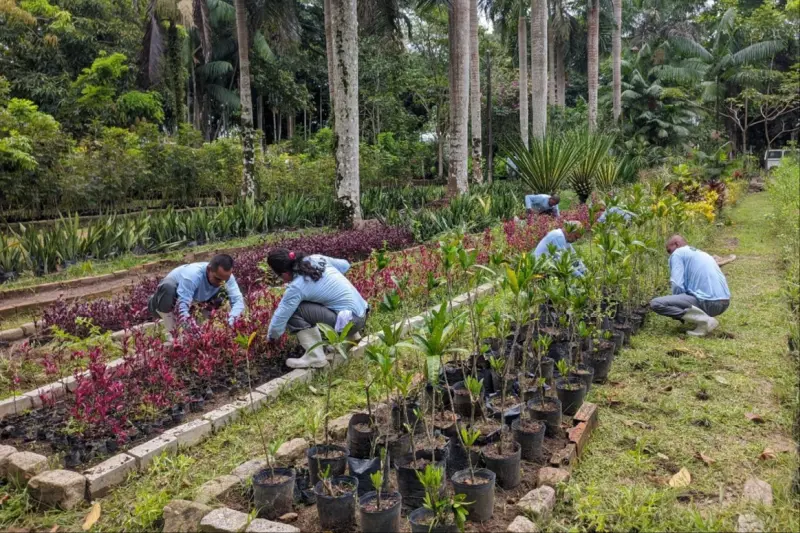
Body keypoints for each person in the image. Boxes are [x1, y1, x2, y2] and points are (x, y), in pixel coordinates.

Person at [266, 249, 368, 369]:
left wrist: (272, 337)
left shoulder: (296, 288)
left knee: (295, 311)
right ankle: (352, 337)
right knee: (326, 300)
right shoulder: (316, 258)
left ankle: (315, 357)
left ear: (284, 274)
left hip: (351, 323)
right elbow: (345, 265)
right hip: (363, 312)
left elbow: (281, 316)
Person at [650, 235, 731, 336]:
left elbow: (677, 284)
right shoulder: (700, 253)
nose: (669, 254)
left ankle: (705, 321)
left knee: (656, 303)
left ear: (676, 244)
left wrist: (677, 304)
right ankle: (703, 320)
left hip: (709, 302)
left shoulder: (677, 253)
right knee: (689, 296)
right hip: (724, 303)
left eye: (669, 250)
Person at [148, 254, 245, 334]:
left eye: (225, 279)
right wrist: (193, 331)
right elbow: (182, 308)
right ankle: (172, 333)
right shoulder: (192, 275)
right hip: (161, 304)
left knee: (222, 293)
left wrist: (231, 322)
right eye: (217, 279)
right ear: (208, 269)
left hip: (193, 303)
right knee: (168, 287)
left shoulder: (225, 277)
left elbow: (238, 301)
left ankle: (201, 326)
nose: (221, 282)